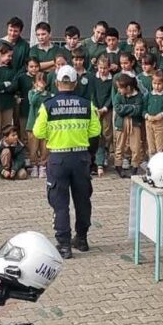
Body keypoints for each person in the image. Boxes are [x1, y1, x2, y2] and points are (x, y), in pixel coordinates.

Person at [32, 65, 102, 259]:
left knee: (59, 203)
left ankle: (64, 245)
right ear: (75, 83)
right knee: (82, 200)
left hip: (58, 158)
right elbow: (95, 131)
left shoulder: (48, 105)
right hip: (81, 158)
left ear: (56, 83)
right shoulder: (88, 105)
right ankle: (82, 238)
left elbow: (38, 132)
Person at [112, 73, 145, 178]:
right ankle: (118, 165)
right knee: (120, 145)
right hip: (121, 123)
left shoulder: (138, 95)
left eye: (120, 88)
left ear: (128, 87)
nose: (119, 90)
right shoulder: (118, 96)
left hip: (134, 123)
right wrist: (131, 107)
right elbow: (118, 109)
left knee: (136, 146)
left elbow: (138, 110)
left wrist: (125, 108)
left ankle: (135, 166)